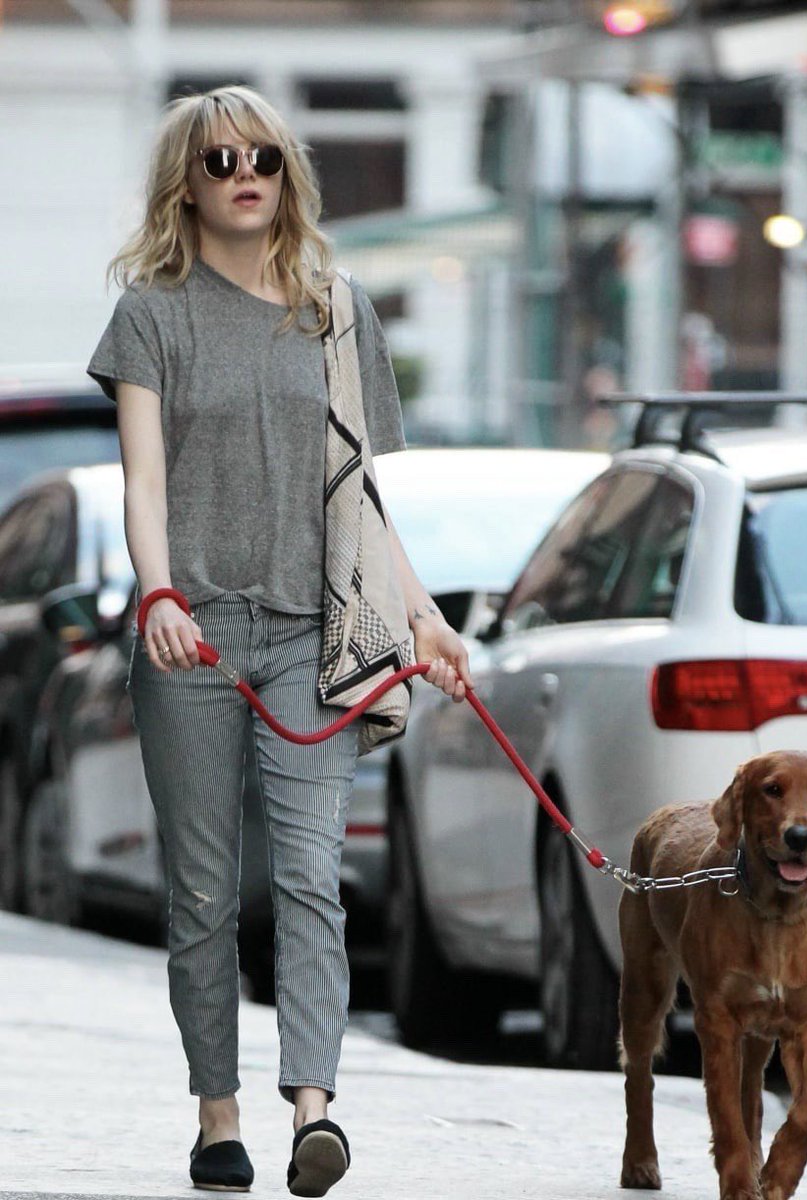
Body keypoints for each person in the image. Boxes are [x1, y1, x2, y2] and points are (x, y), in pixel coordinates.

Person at [87, 84, 472, 1198]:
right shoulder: (151, 313)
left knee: (311, 876)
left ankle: (316, 1108)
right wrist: (158, 597)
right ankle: (219, 1115)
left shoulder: (338, 311)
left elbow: (355, 495)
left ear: (285, 172)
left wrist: (424, 615)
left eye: (261, 155)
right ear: (186, 184)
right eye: (217, 161)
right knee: (204, 894)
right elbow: (144, 480)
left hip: (312, 638)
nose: (243, 173)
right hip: (193, 643)